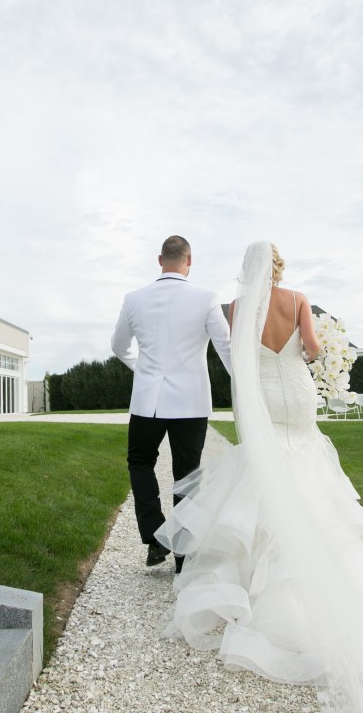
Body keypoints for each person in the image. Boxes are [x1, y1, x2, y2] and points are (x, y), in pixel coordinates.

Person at [156, 242, 363, 713]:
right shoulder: (299, 299)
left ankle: (254, 583)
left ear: (247, 271)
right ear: (279, 267)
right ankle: (316, 560)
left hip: (262, 395)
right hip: (297, 393)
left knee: (262, 472)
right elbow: (311, 348)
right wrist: (315, 351)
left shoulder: (237, 307)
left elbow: (237, 356)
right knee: (305, 463)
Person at [112, 235, 233, 569]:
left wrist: (143, 368)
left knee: (140, 462)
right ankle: (183, 556)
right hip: (191, 402)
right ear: (189, 261)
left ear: (159, 259)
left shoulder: (134, 298)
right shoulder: (206, 298)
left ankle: (154, 537)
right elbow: (226, 347)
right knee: (187, 473)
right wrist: (249, 383)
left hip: (147, 401)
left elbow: (119, 345)